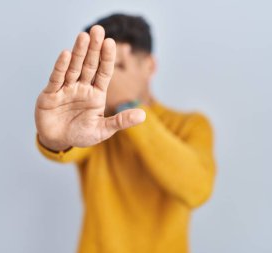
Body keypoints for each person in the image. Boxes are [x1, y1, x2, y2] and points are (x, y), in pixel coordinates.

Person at [34, 13, 216, 253]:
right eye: (101, 68)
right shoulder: (95, 127)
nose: (108, 79)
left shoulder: (191, 125)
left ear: (149, 66)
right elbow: (68, 147)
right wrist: (54, 138)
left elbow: (197, 189)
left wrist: (130, 108)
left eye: (119, 66)